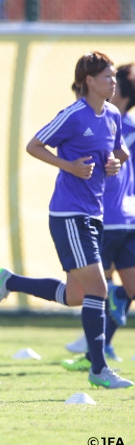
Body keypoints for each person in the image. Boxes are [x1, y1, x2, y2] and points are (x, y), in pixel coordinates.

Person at [0, 51, 133, 389]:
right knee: (98, 288)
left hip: (94, 214)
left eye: (114, 76)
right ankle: (98, 369)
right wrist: (69, 166)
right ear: (89, 82)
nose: (113, 82)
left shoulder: (112, 114)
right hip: (69, 214)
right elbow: (33, 145)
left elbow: (116, 153)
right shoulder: (73, 114)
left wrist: (114, 163)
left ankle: (9, 282)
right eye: (107, 77)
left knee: (76, 295)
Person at [63, 63, 135, 370]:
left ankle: (97, 347)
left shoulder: (119, 126)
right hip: (103, 216)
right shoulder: (99, 122)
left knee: (98, 289)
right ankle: (97, 346)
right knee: (86, 290)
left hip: (114, 217)